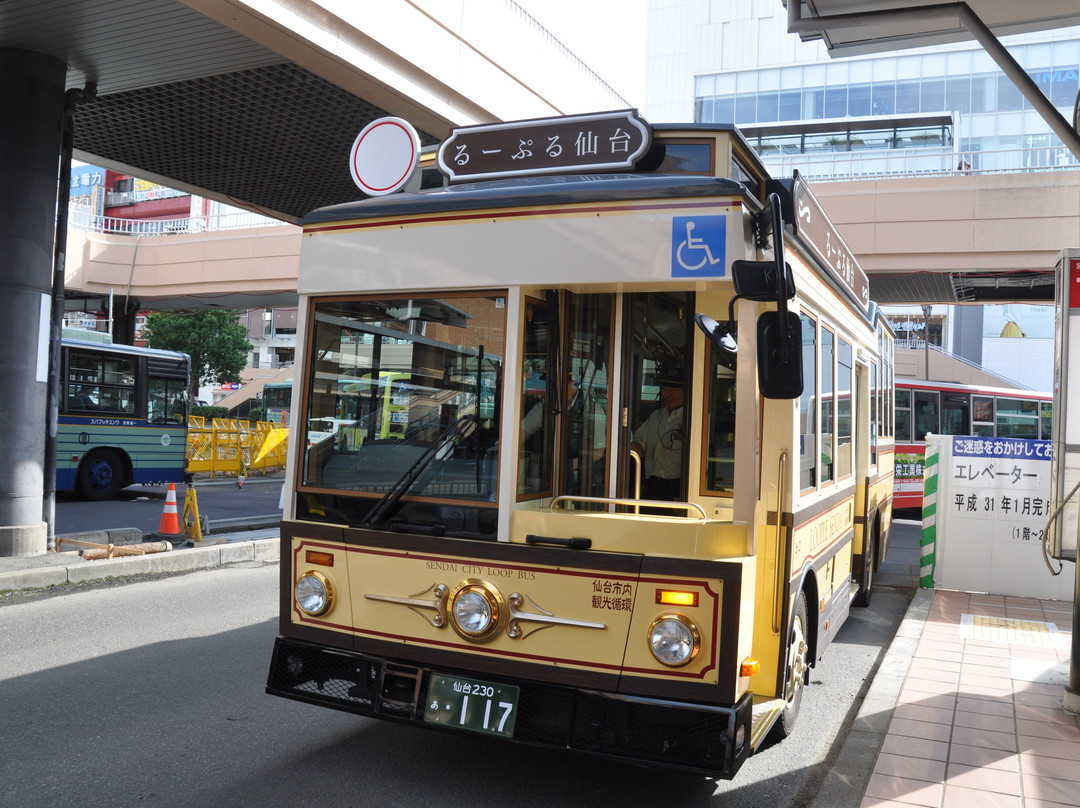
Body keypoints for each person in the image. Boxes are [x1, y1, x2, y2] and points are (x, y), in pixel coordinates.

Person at [631, 367, 685, 502]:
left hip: (678, 488)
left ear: (684, 392)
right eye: (665, 390)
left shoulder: (690, 419)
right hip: (653, 487)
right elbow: (639, 450)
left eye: (672, 391)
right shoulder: (656, 416)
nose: (668, 395)